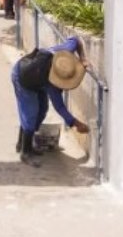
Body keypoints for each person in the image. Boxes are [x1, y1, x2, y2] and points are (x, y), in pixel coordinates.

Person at [11, 36, 91, 167]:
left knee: (42, 110)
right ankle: (26, 151)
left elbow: (76, 40)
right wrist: (76, 123)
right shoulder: (52, 85)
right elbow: (60, 107)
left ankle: (22, 142)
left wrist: (82, 58)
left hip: (37, 77)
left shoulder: (66, 53)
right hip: (23, 77)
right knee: (30, 114)